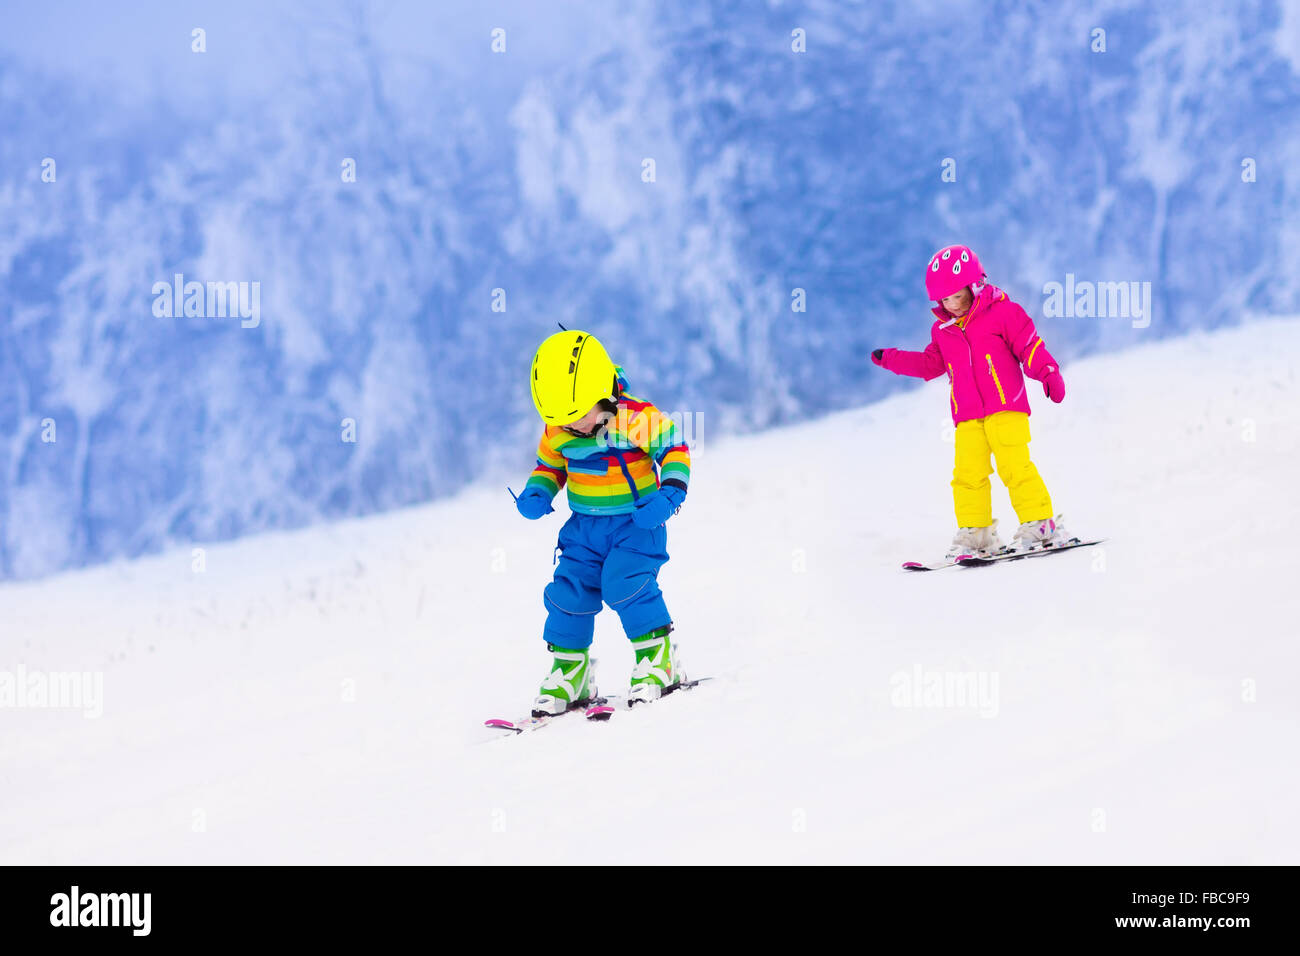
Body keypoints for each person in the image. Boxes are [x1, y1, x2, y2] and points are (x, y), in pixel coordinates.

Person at [514, 330, 691, 714]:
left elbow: (675, 448)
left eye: (578, 416)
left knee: (624, 583)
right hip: (583, 529)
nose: (571, 426)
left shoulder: (637, 418)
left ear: (602, 392)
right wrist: (538, 491)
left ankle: (658, 661)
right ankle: (570, 672)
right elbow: (550, 465)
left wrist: (670, 494)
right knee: (568, 592)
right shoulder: (559, 429)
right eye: (560, 419)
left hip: (636, 523)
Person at [872, 245, 1068, 560]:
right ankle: (977, 533)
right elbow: (928, 364)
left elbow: (1029, 346)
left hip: (1006, 407)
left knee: (1014, 466)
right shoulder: (943, 332)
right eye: (945, 300)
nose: (952, 305)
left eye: (958, 296)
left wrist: (1047, 372)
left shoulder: (1004, 313)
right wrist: (891, 359)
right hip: (967, 416)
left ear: (974, 286)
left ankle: (1040, 523)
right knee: (967, 474)